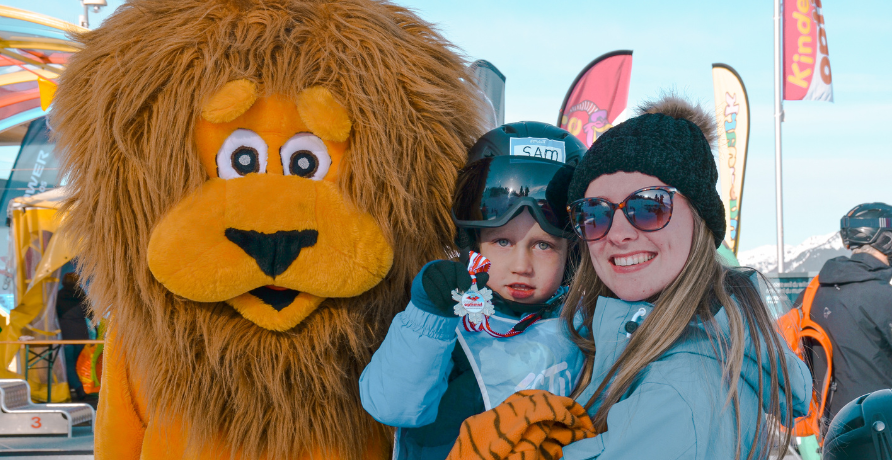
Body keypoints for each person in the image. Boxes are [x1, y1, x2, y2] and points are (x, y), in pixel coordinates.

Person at [549, 95, 812, 459]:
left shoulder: (679, 390)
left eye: (649, 206)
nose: (618, 233)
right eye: (595, 212)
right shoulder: (688, 345)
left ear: (700, 220)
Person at [359, 122, 586, 459]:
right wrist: (428, 316)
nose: (521, 265)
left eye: (543, 246)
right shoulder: (454, 324)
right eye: (503, 241)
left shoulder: (582, 327)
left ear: (572, 256)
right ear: (473, 243)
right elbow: (391, 405)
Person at [809, 203, 892, 424]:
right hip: (882, 427)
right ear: (886, 239)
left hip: (833, 427)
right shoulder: (883, 294)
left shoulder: (812, 292)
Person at [55, 272, 90, 401]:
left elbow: (55, 314)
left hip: (66, 334)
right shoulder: (81, 294)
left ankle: (78, 389)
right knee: (75, 363)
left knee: (68, 363)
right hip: (82, 334)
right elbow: (90, 314)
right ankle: (76, 388)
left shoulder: (59, 295)